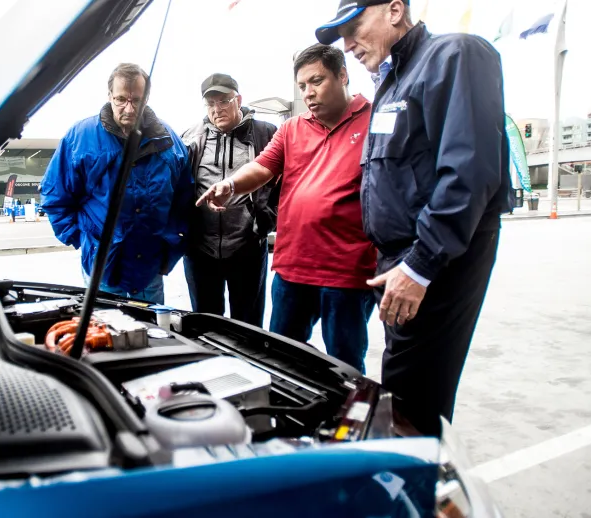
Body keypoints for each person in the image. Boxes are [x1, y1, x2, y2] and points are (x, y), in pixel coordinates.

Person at [315, 0, 513, 436]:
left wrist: (420, 266)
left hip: (432, 262)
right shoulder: (393, 83)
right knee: (401, 393)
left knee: (414, 401)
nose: (347, 45)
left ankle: (417, 491)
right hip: (399, 262)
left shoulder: (455, 55)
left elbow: (470, 171)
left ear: (394, 10)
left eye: (353, 28)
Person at [195, 45, 377, 373]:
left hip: (347, 271)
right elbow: (263, 167)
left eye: (317, 81)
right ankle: (288, 424)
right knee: (280, 360)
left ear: (343, 76)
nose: (308, 93)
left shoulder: (375, 122)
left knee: (345, 365)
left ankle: (343, 423)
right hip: (293, 269)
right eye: (302, 85)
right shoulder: (292, 129)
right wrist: (231, 185)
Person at [40, 63, 193, 305]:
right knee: (104, 338)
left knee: (151, 336)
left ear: (147, 97)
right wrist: (83, 240)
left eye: (136, 100)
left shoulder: (170, 142)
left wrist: (170, 246)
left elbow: (184, 202)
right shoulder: (79, 138)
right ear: (109, 96)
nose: (129, 109)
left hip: (149, 271)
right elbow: (55, 197)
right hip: (102, 270)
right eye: (121, 99)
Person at [181, 73, 278, 327]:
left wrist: (268, 219)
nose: (217, 109)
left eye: (224, 101)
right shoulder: (191, 136)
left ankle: (246, 366)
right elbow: (179, 186)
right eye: (211, 103)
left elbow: (283, 182)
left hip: (247, 247)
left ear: (239, 100)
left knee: (247, 327)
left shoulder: (266, 133)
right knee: (205, 325)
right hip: (200, 251)